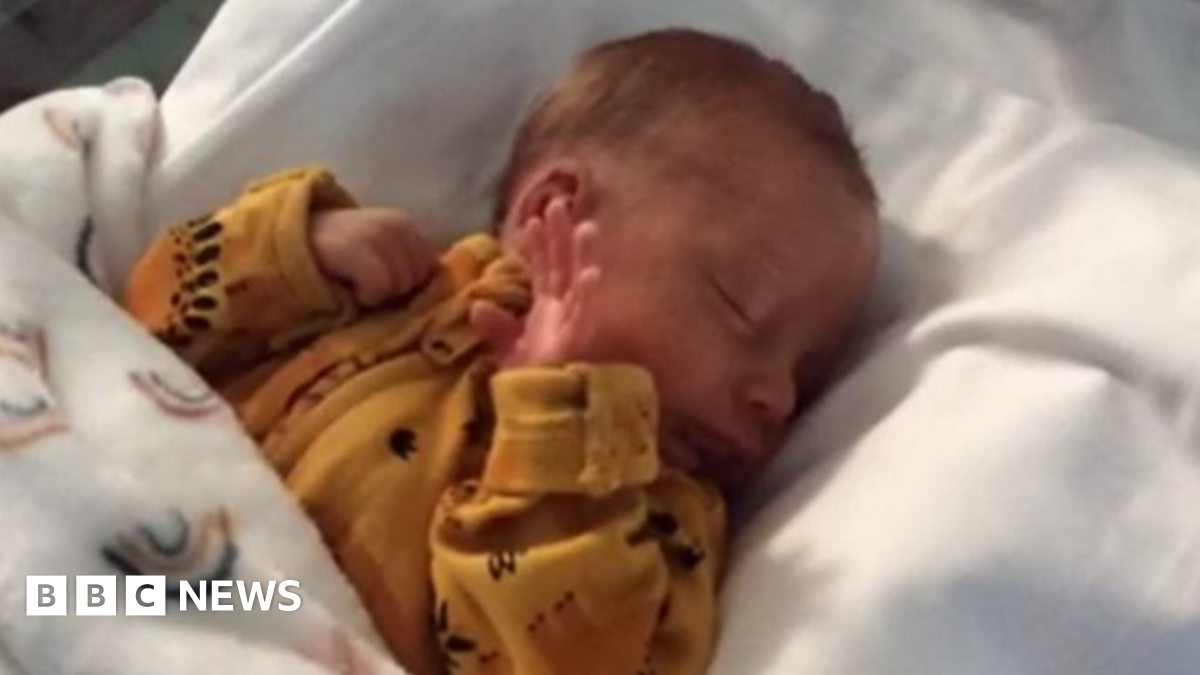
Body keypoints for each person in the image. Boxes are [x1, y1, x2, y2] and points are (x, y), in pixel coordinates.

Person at [124, 28, 879, 675]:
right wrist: (296, 247)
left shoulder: (657, 517)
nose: (776, 396)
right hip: (142, 586)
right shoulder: (395, 292)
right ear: (554, 209)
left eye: (806, 374)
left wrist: (561, 433)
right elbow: (146, 321)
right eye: (741, 305)